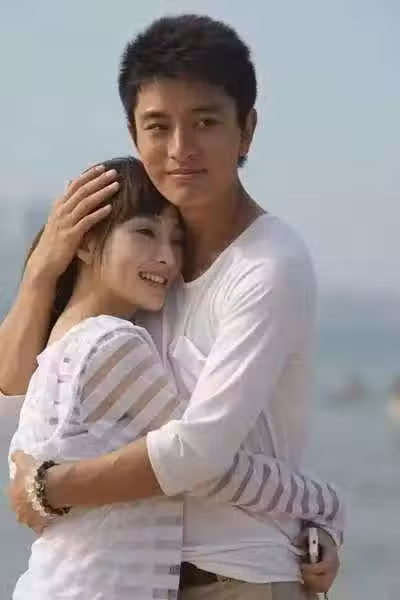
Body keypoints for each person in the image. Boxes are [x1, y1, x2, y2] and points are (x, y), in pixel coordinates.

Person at [3, 15, 344, 599]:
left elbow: (199, 452)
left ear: (247, 130)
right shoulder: (145, 273)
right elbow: (16, 384)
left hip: (236, 579)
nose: (181, 149)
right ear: (134, 133)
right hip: (142, 578)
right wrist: (42, 271)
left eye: (205, 122)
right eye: (158, 126)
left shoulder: (268, 265)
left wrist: (50, 487)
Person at [9, 156, 189, 599]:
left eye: (178, 240)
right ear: (85, 242)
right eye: (145, 232)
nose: (168, 258)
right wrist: (322, 510)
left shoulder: (67, 344)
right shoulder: (111, 343)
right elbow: (206, 458)